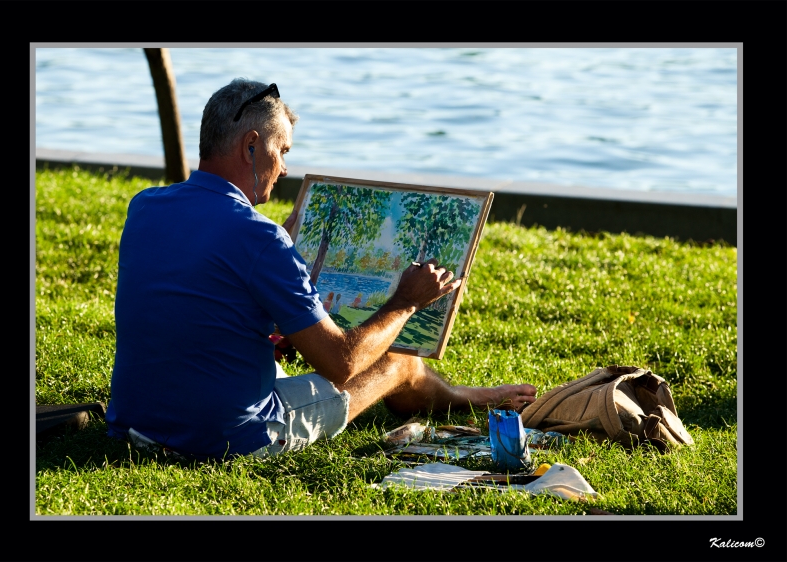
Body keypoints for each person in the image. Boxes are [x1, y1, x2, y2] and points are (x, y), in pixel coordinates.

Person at [105, 78, 537, 461]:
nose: (285, 168)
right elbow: (341, 364)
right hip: (222, 436)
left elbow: (201, 296)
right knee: (397, 363)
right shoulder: (258, 236)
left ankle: (465, 395)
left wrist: (280, 307)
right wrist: (406, 302)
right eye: (283, 150)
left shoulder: (145, 206)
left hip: (134, 422)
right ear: (251, 145)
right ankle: (468, 400)